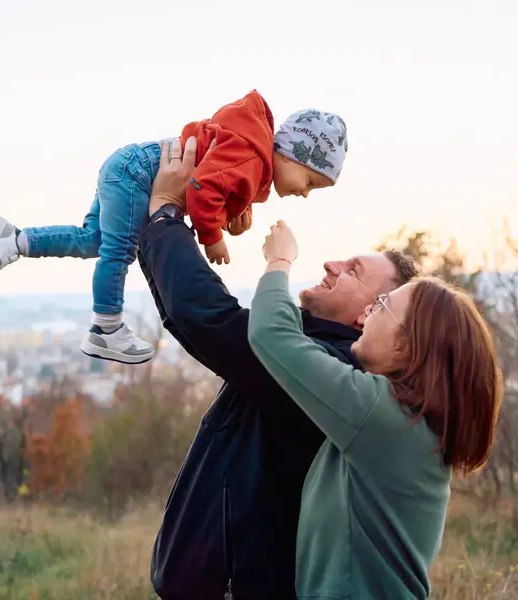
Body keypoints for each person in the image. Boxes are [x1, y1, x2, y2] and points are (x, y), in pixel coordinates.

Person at [138, 136, 417, 600]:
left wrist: (167, 215)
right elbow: (202, 322)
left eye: (353, 270)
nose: (331, 263)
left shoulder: (330, 372)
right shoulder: (309, 349)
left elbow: (210, 319)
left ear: (371, 312)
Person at [0, 90, 348, 365]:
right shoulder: (251, 156)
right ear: (293, 153)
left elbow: (211, 187)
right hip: (141, 176)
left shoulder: (252, 160)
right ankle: (106, 327)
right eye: (311, 182)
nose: (305, 194)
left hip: (130, 167)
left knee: (94, 241)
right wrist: (212, 238)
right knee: (117, 252)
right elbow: (201, 190)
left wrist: (228, 216)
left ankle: (13, 241)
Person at [247, 221, 504, 599]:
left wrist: (279, 259)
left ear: (407, 348)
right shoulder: (411, 422)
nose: (367, 314)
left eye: (382, 306)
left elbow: (271, 334)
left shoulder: (382, 415)